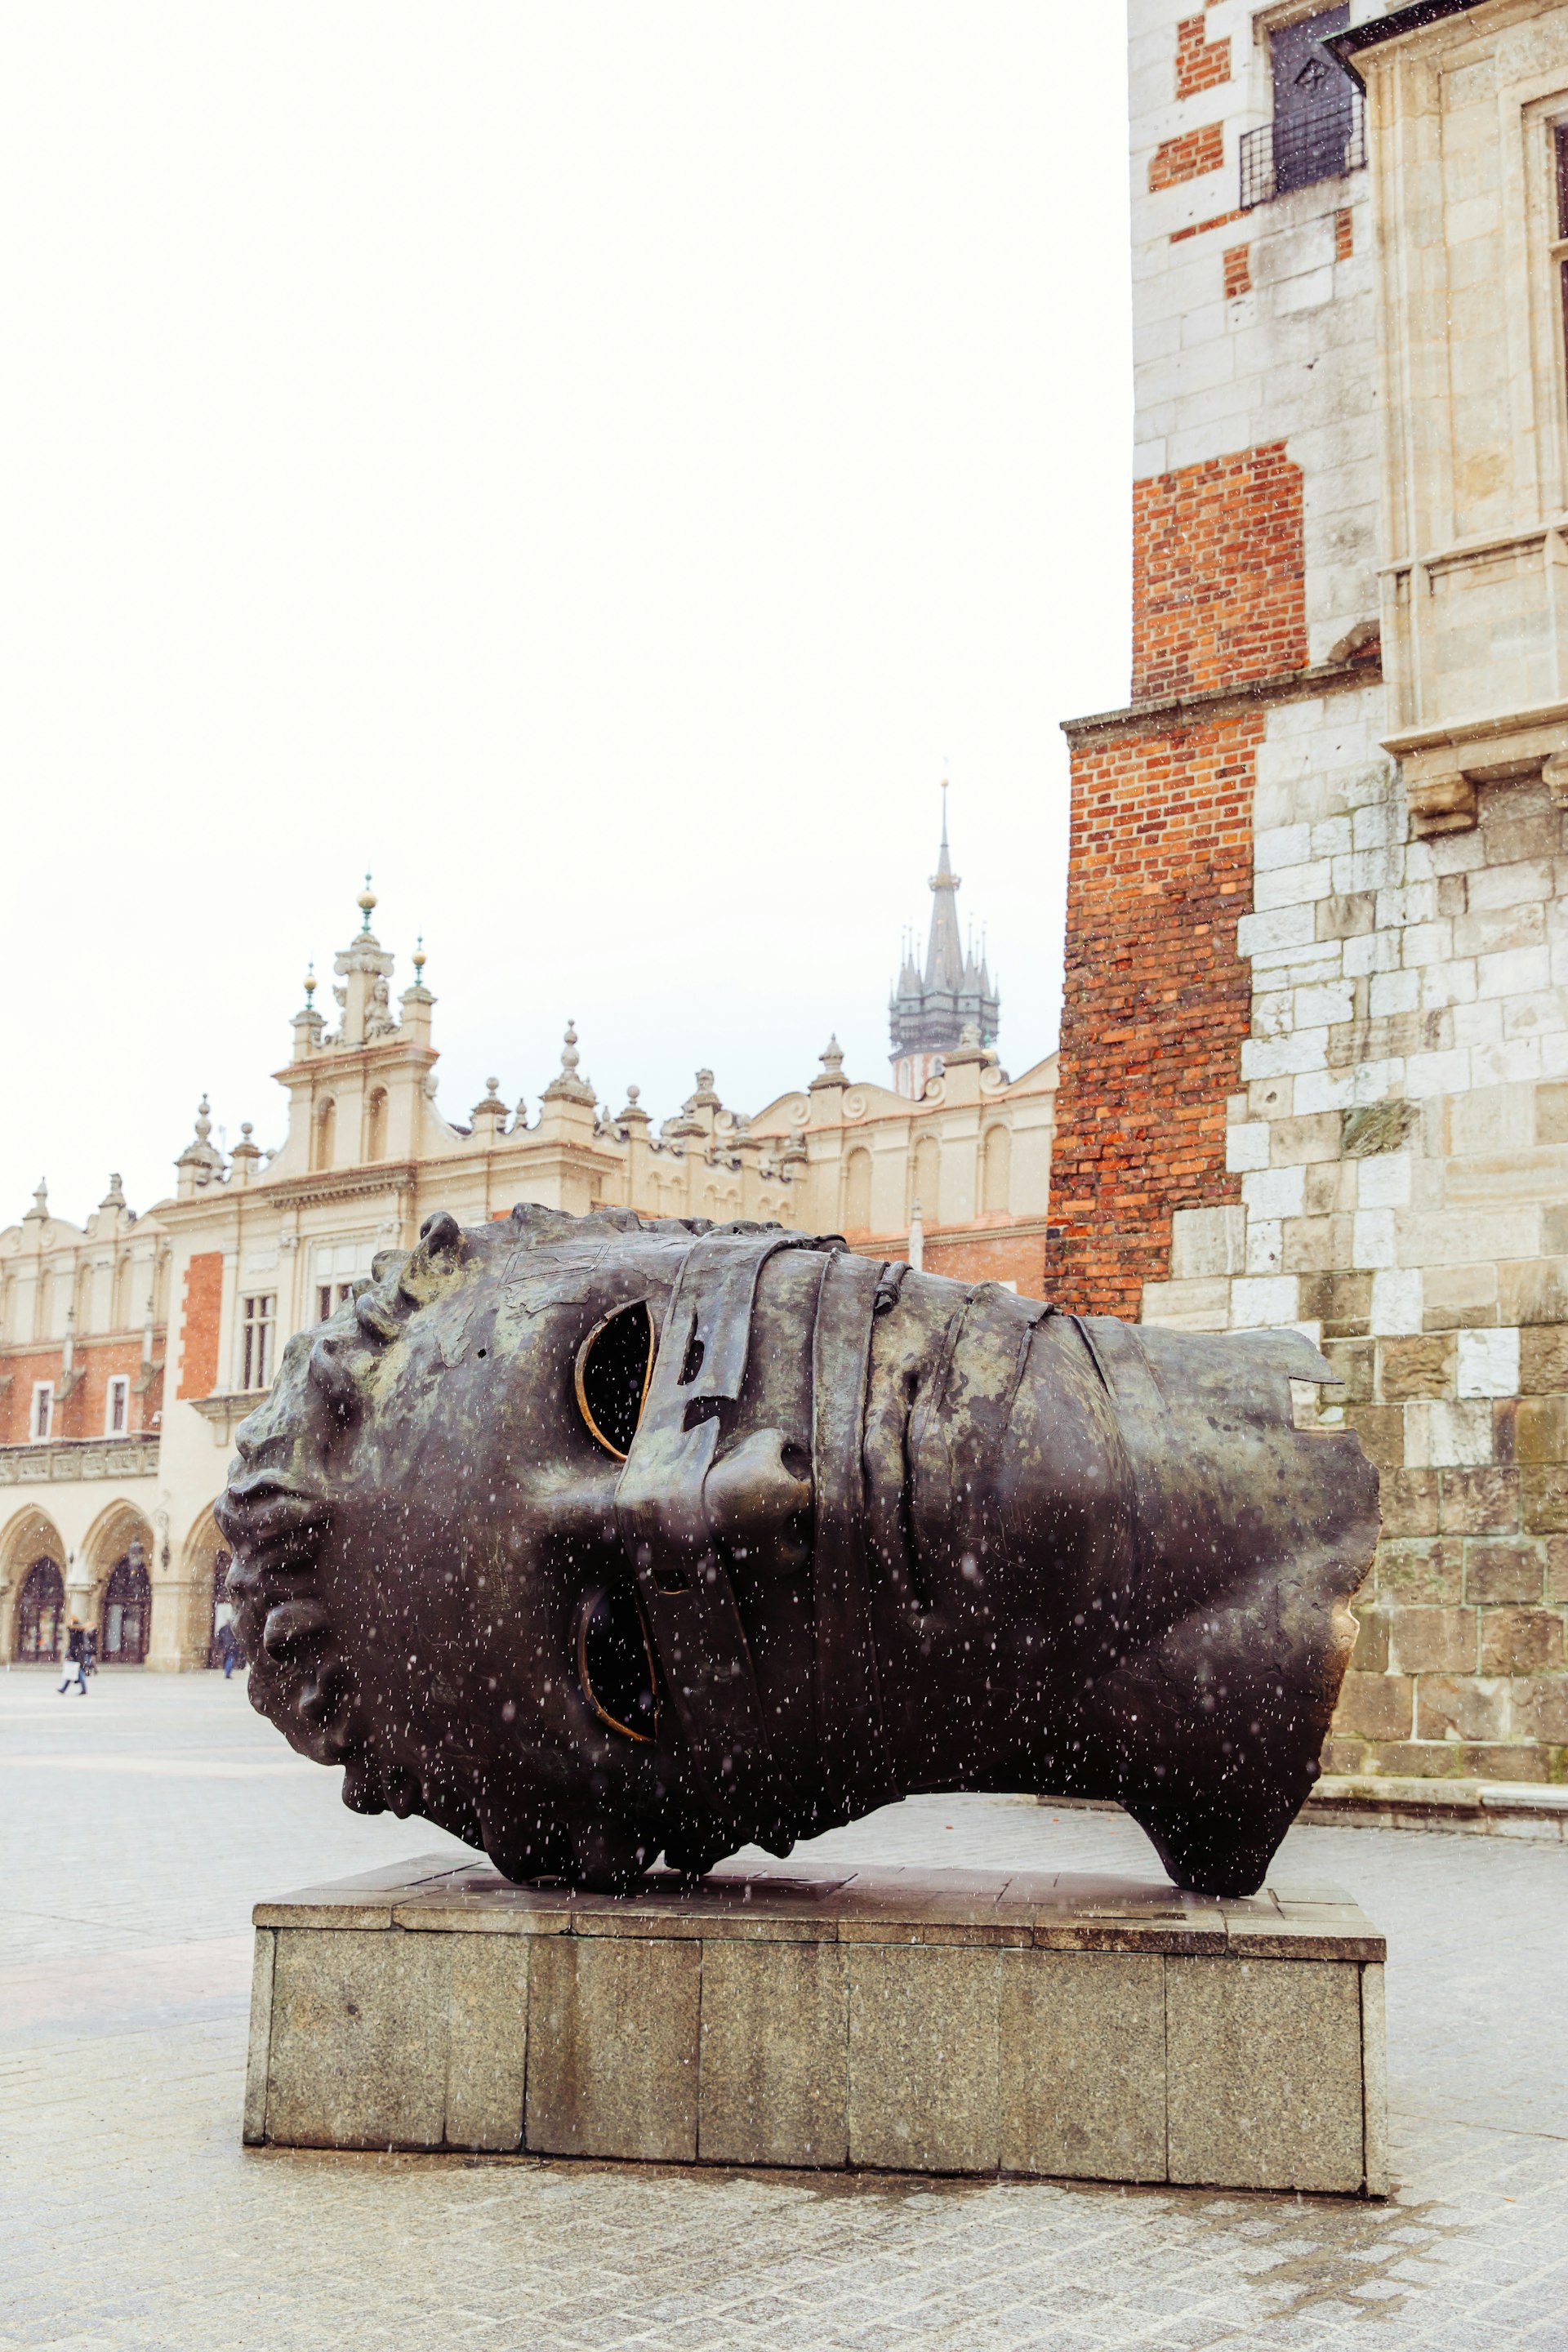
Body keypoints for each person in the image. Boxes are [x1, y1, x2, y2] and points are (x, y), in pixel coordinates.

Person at [57, 1619, 87, 1696]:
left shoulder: (77, 1633)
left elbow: (73, 1645)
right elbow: (68, 1628)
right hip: (77, 1654)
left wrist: (71, 1654)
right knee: (72, 1672)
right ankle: (64, 1689)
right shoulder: (76, 1632)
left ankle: (83, 1689)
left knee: (78, 1672)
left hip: (77, 1654)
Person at [214, 1597, 238, 1679]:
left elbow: (219, 1636)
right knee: (230, 1659)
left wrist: (220, 1645)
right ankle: (227, 1673)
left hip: (226, 1645)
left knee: (227, 1658)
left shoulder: (223, 1628)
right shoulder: (233, 1628)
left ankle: (226, 1671)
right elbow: (237, 1637)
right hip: (232, 1645)